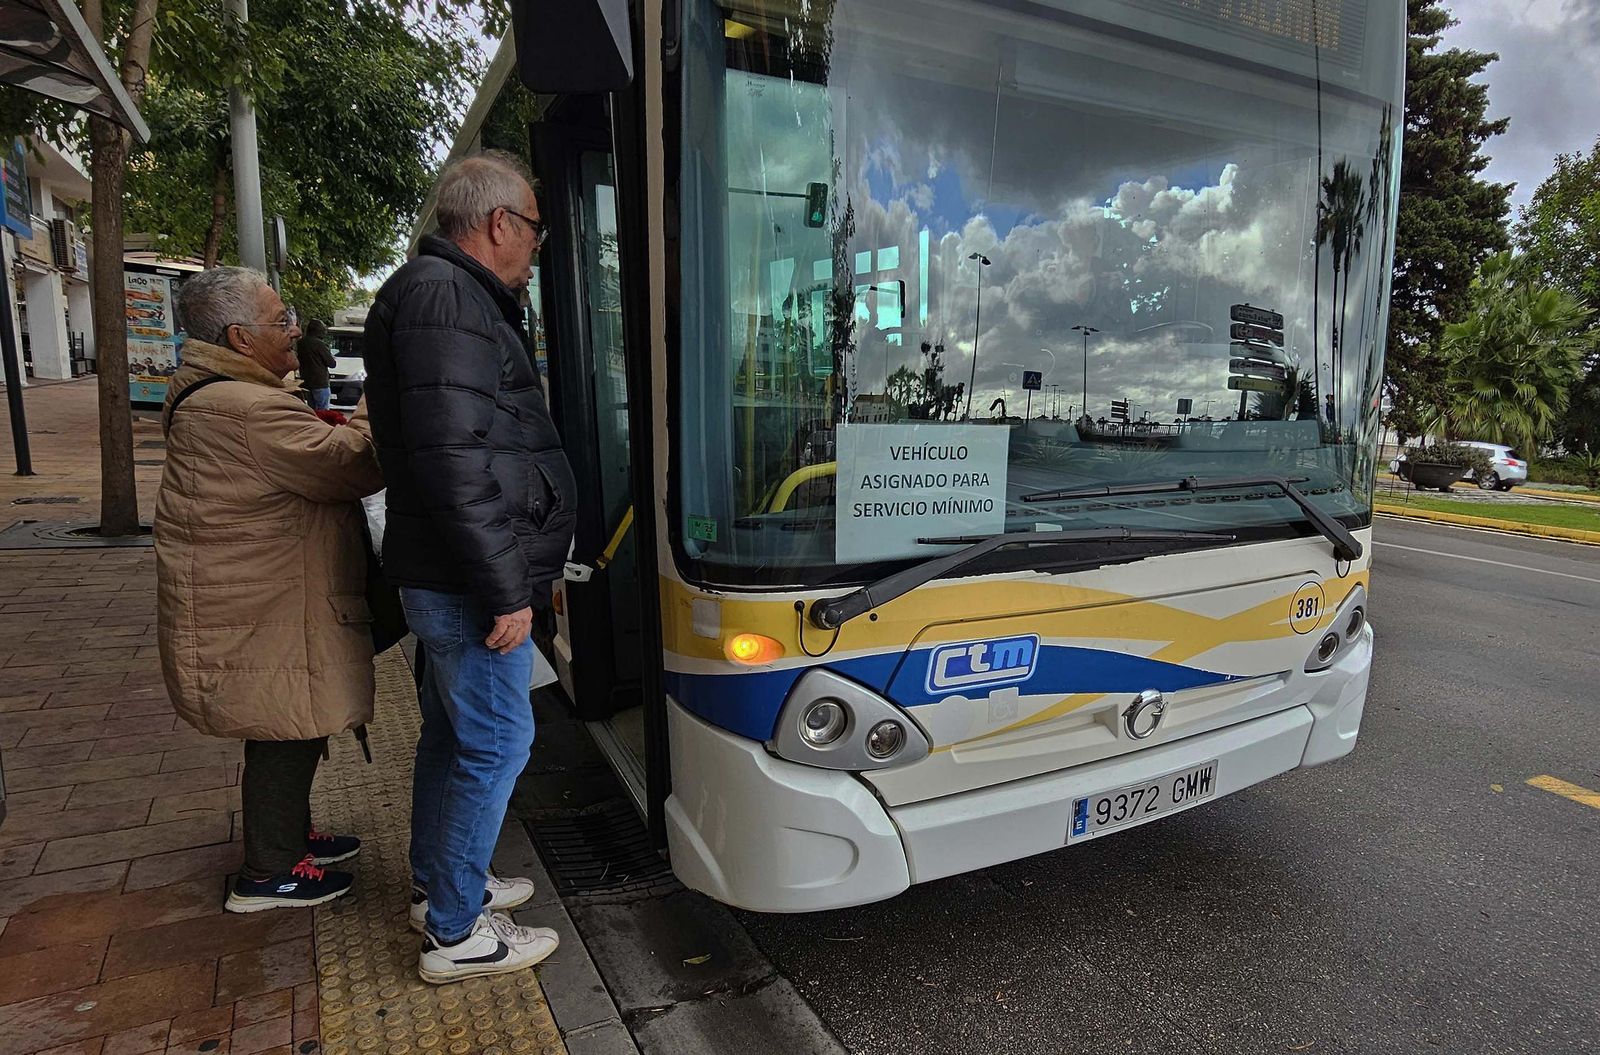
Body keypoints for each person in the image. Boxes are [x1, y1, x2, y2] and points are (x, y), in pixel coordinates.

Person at [363, 151, 575, 984]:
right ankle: (455, 928)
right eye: (534, 230)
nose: (536, 247)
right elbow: (457, 462)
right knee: (497, 741)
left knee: (456, 734)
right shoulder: (449, 299)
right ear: (499, 223)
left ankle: (440, 883)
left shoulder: (439, 294)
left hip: (449, 573)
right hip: (467, 582)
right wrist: (507, 589)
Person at [154, 266, 385, 913]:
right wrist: (379, 400)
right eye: (281, 320)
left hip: (254, 595)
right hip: (264, 602)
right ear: (239, 337)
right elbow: (353, 465)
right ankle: (270, 871)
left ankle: (286, 836)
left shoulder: (215, 392)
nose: (293, 331)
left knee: (286, 716)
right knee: (287, 721)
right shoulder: (246, 407)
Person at [297, 318, 337, 410]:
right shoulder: (320, 344)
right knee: (323, 411)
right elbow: (332, 363)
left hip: (306, 382)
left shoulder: (301, 343)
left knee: (312, 410)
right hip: (320, 383)